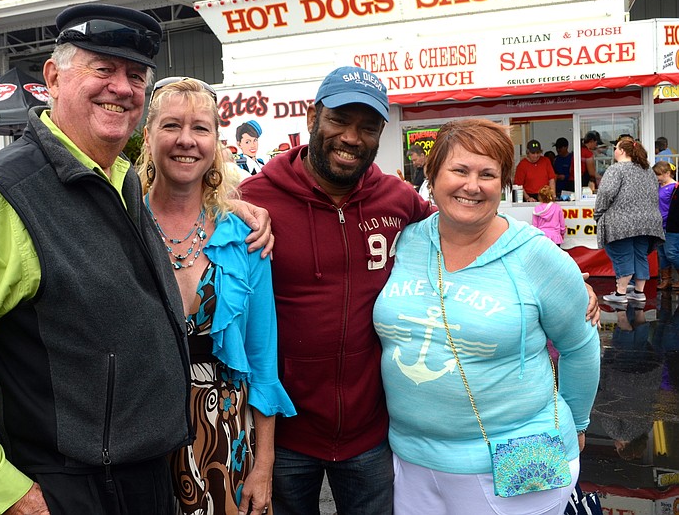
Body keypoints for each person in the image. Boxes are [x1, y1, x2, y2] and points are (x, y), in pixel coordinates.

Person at [0, 4, 271, 515]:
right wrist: (6, 491)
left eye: (135, 75)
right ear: (52, 77)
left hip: (145, 478)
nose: (121, 87)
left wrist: (232, 205)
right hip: (69, 488)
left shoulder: (122, 184)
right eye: (102, 69)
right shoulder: (2, 198)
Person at [373, 118, 600, 515]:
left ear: (504, 182)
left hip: (521, 453)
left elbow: (580, 346)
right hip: (411, 462)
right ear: (432, 174)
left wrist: (578, 425)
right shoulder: (406, 242)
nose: (472, 185)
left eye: (487, 174)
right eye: (459, 170)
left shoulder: (536, 255)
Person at [240, 66, 435, 514]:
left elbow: (466, 233)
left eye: (367, 128)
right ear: (314, 117)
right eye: (339, 121)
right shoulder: (256, 198)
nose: (352, 137)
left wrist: (554, 268)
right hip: (283, 432)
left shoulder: (398, 199)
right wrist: (226, 203)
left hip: (370, 432)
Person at [136, 78, 295, 514]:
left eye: (201, 128)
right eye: (171, 126)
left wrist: (264, 465)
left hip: (225, 439)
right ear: (148, 136)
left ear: (217, 143)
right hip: (139, 435)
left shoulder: (245, 238)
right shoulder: (122, 226)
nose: (186, 140)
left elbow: (263, 358)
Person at [595, 137, 663, 305]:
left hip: (621, 221)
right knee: (640, 255)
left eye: (617, 148)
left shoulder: (616, 169)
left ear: (622, 151)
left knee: (622, 254)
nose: (615, 151)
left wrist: (599, 213)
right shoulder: (648, 171)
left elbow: (605, 194)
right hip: (648, 222)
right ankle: (639, 292)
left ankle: (621, 293)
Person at [653, 160, 677, 290]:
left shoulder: (674, 187)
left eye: (659, 175)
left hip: (670, 225)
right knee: (662, 253)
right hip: (659, 225)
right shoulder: (659, 186)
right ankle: (666, 279)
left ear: (667, 173)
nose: (657, 178)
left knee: (671, 253)